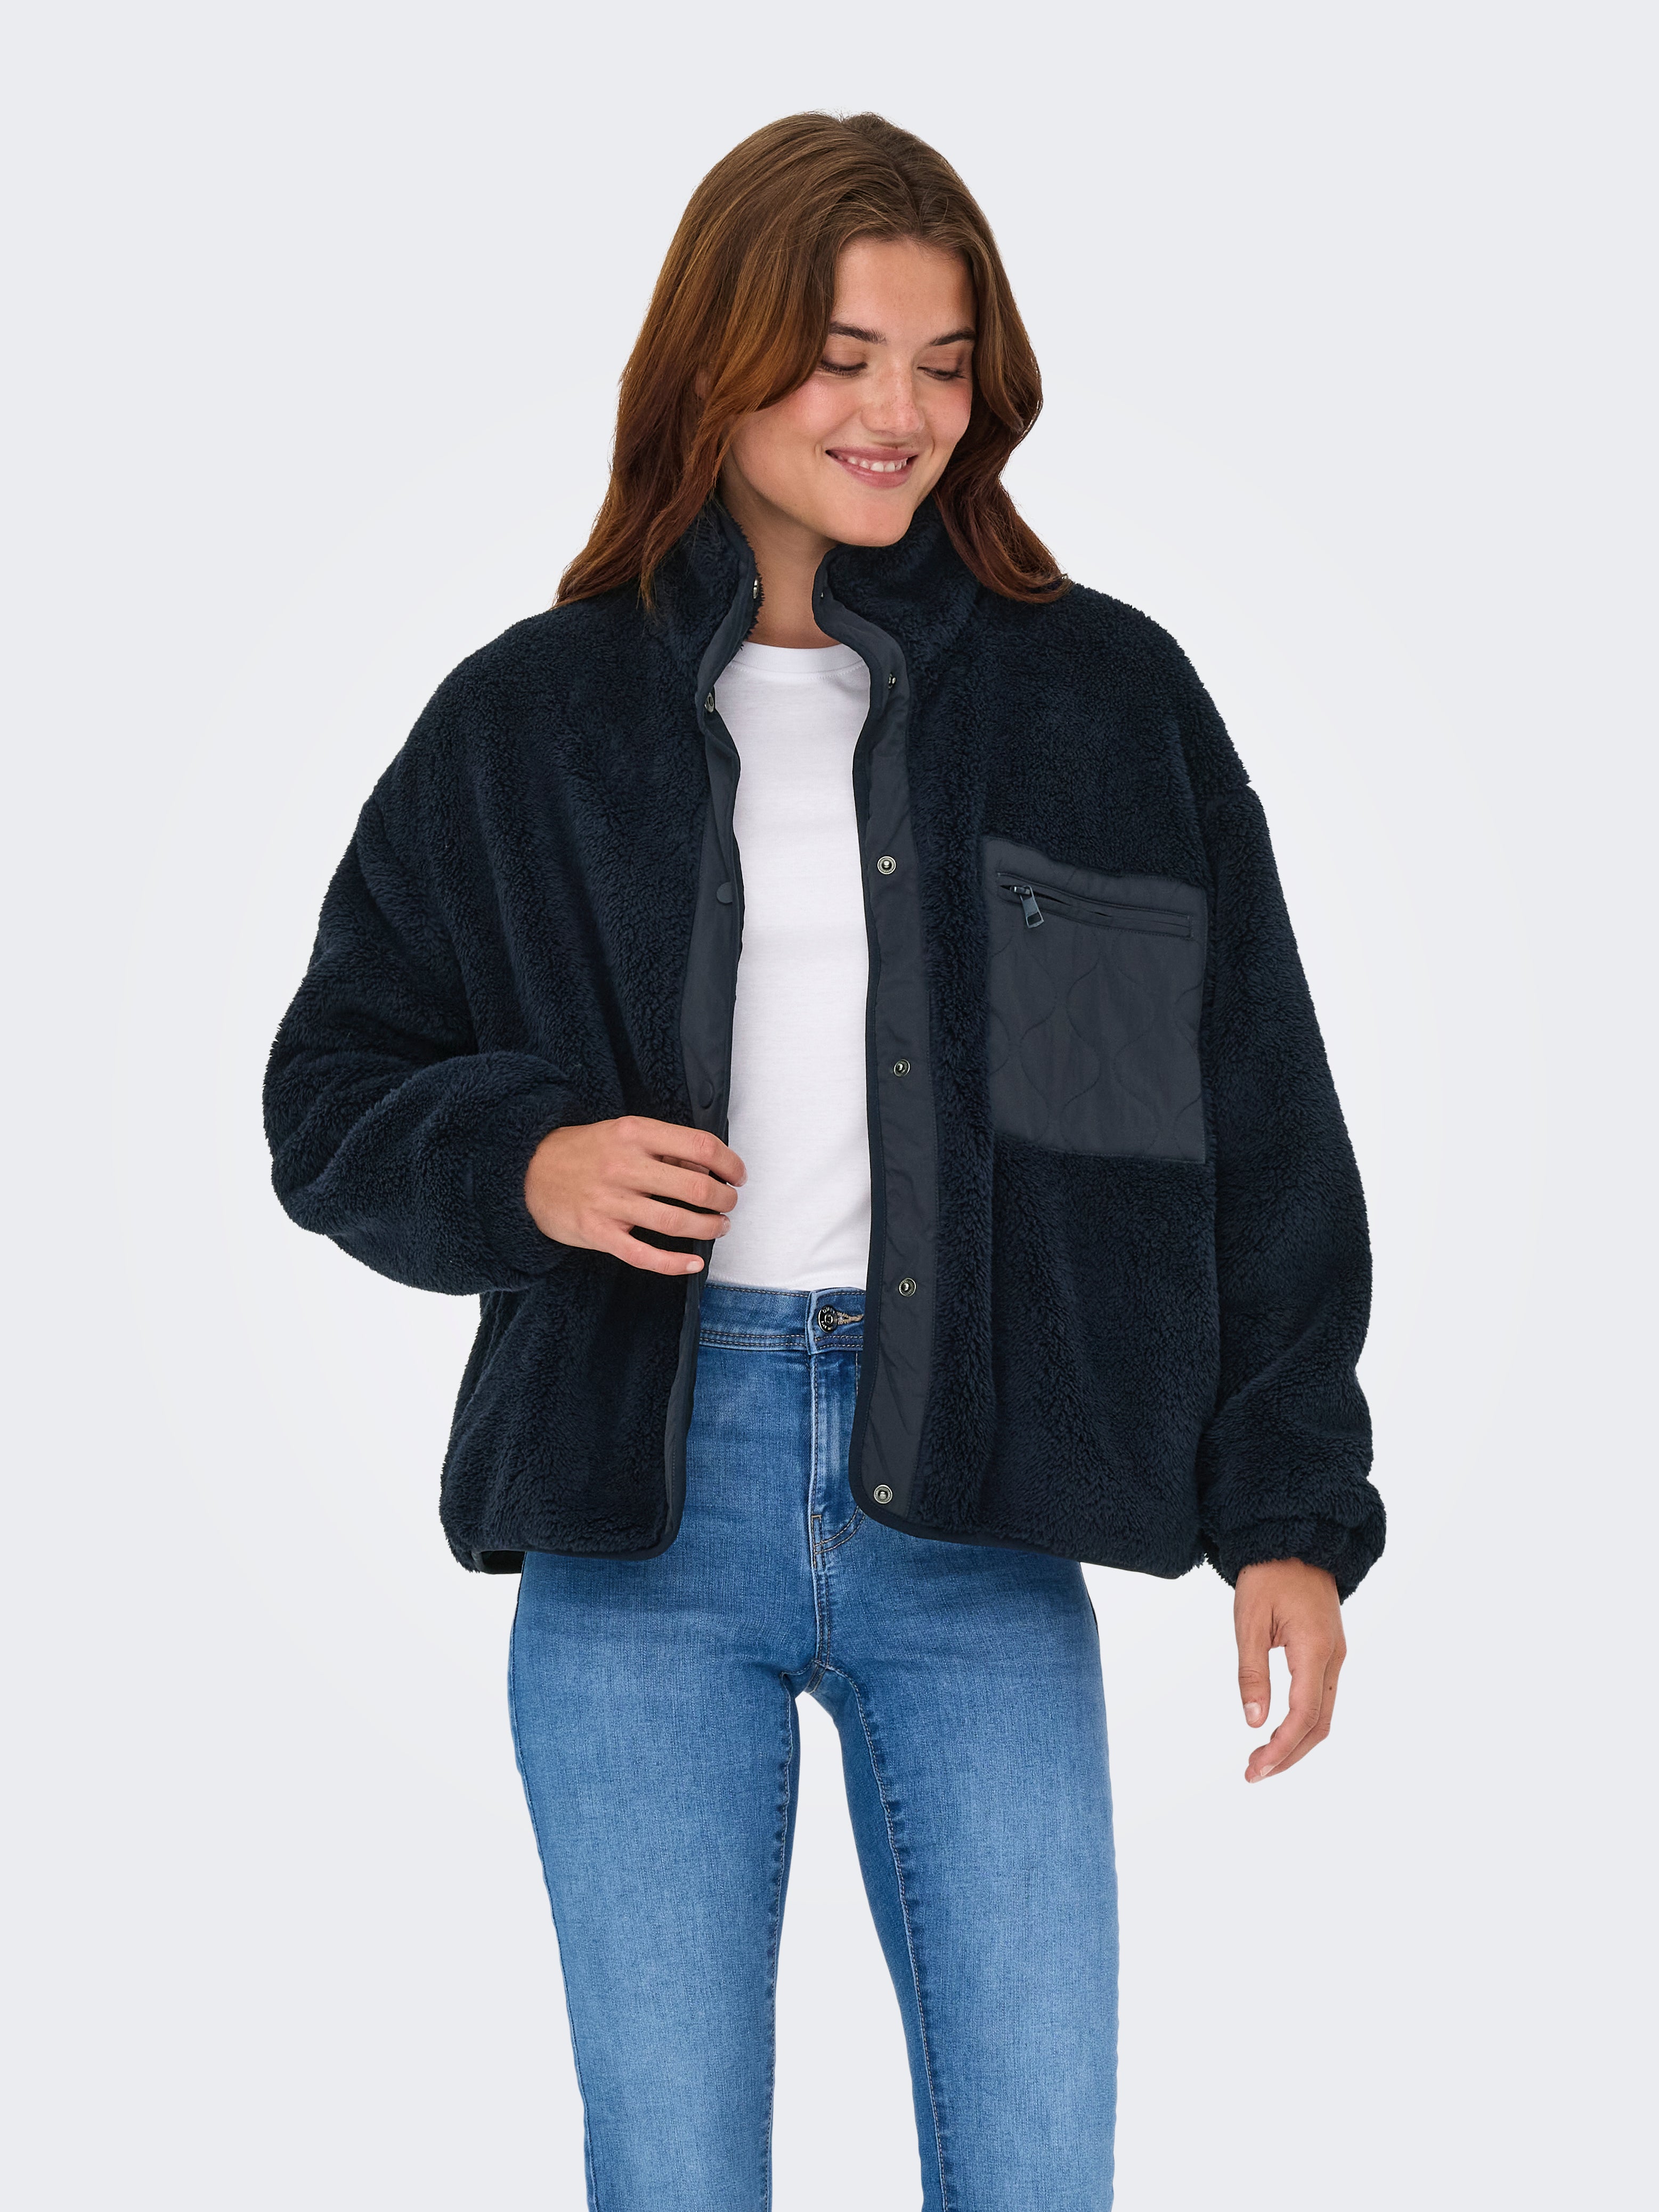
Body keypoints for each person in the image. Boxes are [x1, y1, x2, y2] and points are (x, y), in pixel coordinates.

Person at [264, 110, 1383, 2212]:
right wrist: (528, 1164)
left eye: (942, 364)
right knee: (672, 2166)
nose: (897, 413)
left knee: (1034, 2161)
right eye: (843, 355)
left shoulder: (1099, 703)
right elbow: (328, 1091)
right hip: (639, 1510)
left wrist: (1287, 1515)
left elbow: (1250, 1124)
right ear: (716, 358)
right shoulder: (532, 722)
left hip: (977, 1500)